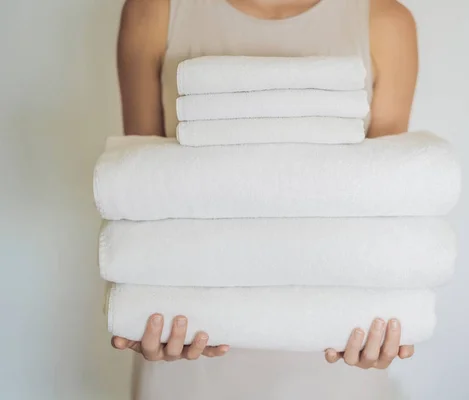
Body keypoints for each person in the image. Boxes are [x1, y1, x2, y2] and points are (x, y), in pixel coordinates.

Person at [112, 0, 419, 398]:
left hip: (335, 351)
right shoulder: (155, 9)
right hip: (186, 343)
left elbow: (384, 207)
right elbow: (143, 191)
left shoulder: (385, 21)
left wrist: (385, 326)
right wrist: (143, 312)